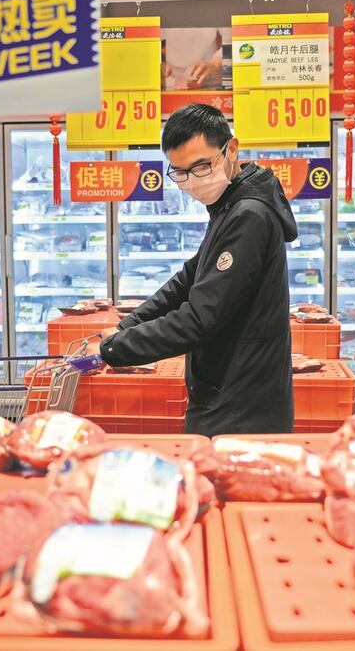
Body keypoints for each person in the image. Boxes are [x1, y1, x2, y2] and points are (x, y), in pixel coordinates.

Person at [90, 104, 298, 436]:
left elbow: (200, 318)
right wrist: (126, 326)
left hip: (243, 404)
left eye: (201, 166)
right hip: (227, 387)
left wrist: (113, 349)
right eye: (181, 172)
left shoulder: (249, 215)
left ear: (231, 149)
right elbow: (188, 279)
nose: (193, 181)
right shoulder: (229, 206)